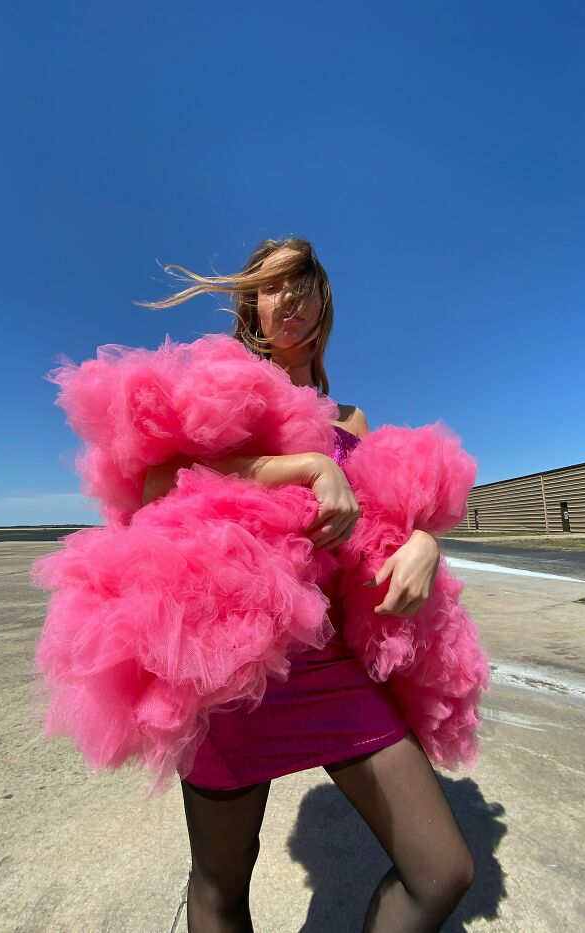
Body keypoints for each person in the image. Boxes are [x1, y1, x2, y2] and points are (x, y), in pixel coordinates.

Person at [139, 237, 475, 932]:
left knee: (442, 871)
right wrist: (307, 467)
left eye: (303, 282)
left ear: (324, 301)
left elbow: (386, 515)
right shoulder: (222, 382)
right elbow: (156, 484)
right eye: (271, 285)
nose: (289, 297)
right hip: (230, 661)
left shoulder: (351, 420)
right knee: (219, 887)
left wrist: (426, 542)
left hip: (331, 662)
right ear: (251, 307)